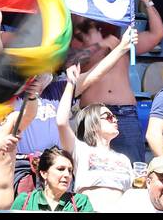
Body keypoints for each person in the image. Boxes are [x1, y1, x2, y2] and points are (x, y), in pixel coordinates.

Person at [72, 0, 163, 164]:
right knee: (89, 167)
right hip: (92, 112)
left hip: (125, 113)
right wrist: (104, 45)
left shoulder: (125, 40)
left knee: (132, 167)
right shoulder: (78, 40)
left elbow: (157, 34)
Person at [56, 62, 133, 212]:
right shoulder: (80, 150)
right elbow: (61, 122)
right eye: (108, 117)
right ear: (93, 123)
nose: (115, 120)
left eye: (115, 117)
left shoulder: (124, 159)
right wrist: (71, 84)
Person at [9, 146, 92, 212]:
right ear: (44, 173)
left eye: (70, 170)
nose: (67, 174)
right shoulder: (24, 201)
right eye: (60, 169)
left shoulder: (80, 202)